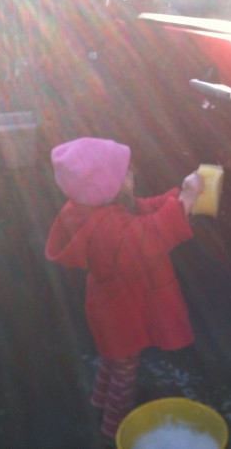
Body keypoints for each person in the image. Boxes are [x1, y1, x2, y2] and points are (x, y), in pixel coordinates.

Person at [45, 137, 204, 443]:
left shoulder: (93, 209)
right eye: (127, 173)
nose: (133, 176)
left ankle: (98, 402)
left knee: (111, 358)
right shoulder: (106, 229)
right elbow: (145, 238)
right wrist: (184, 203)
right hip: (121, 314)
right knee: (124, 373)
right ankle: (112, 429)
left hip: (109, 311)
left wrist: (180, 200)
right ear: (107, 186)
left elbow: (143, 211)